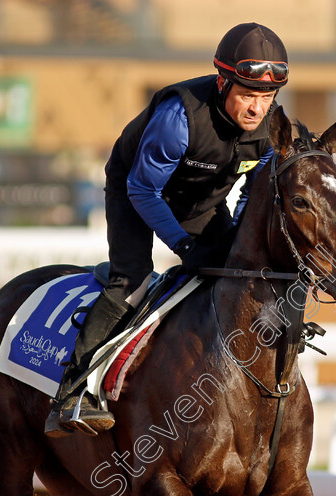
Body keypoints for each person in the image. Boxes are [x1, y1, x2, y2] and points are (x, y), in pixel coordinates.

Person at [45, 22, 289, 437]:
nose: (256, 108)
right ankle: (74, 393)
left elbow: (254, 191)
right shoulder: (179, 117)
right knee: (133, 283)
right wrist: (181, 243)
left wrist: (236, 238)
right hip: (136, 189)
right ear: (221, 82)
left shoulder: (269, 130)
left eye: (266, 97)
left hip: (200, 201)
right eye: (247, 95)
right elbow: (143, 189)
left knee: (233, 273)